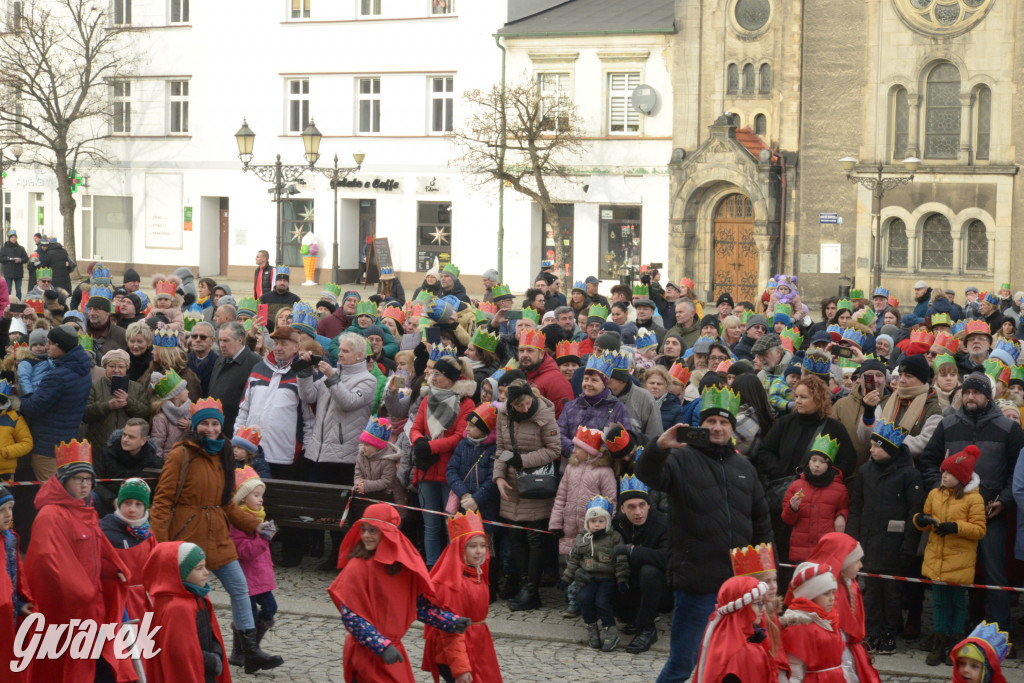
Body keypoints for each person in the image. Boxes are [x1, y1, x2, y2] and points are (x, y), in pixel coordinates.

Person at [635, 385, 773, 683]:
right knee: (683, 665)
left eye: (724, 422)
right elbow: (649, 474)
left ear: (732, 428)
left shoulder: (744, 468)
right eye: (711, 421)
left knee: (729, 666)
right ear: (701, 425)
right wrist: (658, 447)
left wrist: (767, 575)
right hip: (697, 582)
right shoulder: (682, 458)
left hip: (739, 587)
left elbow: (761, 523)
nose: (718, 427)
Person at [149, 397, 284, 673]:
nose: (210, 429)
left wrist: (254, 525)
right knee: (186, 599)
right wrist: (160, 546)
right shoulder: (181, 453)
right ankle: (185, 649)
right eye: (204, 424)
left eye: (215, 424)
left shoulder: (223, 451)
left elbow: (225, 504)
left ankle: (249, 652)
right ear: (195, 426)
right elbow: (162, 501)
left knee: (240, 588)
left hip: (218, 535)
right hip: (187, 536)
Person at [919, 372, 1024, 635]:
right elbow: (929, 461)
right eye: (966, 392)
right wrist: (940, 490)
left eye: (976, 392)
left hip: (991, 513)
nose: (970, 397)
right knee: (953, 573)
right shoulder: (947, 423)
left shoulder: (1009, 428)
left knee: (994, 574)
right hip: (951, 514)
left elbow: (1016, 470)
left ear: (987, 396)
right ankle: (952, 632)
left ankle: (1001, 633)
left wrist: (1005, 500)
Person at [24, 439, 133, 682]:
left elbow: (96, 550)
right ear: (64, 481)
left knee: (97, 662)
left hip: (90, 603)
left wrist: (112, 569)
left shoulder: (86, 509)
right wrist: (83, 592)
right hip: (67, 608)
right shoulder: (50, 515)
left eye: (88, 480)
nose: (85, 485)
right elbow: (49, 562)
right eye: (78, 479)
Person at [328, 502, 470, 683]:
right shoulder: (357, 566)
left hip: (391, 651)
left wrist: (450, 621)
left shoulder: (402, 569)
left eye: (373, 530)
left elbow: (417, 606)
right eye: (364, 530)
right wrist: (380, 645)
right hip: (367, 654)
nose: (366, 535)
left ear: (388, 533)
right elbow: (351, 617)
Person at [848, 419, 924, 655]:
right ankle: (872, 631)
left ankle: (890, 631)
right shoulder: (865, 471)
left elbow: (915, 513)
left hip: (894, 544)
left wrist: (907, 548)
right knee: (871, 591)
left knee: (892, 593)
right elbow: (856, 507)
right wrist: (852, 540)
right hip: (869, 541)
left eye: (876, 446)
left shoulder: (909, 475)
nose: (871, 449)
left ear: (889, 449)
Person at [915, 445, 987, 666]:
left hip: (959, 562)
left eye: (949, 473)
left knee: (957, 603)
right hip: (937, 559)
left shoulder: (974, 500)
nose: (943, 475)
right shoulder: (934, 494)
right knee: (938, 602)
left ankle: (955, 644)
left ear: (961, 477)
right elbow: (922, 517)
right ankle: (939, 643)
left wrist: (955, 527)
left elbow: (979, 529)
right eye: (943, 472)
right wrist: (921, 520)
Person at [493, 378, 561, 612]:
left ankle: (531, 590)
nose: (524, 408)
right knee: (515, 536)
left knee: (533, 538)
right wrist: (499, 477)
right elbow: (501, 450)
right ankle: (524, 585)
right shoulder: (504, 415)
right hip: (512, 482)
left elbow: (554, 450)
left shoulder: (544, 414)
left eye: (526, 403)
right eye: (518, 405)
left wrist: (523, 461)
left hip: (536, 481)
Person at [411, 354, 477, 568]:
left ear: (450, 378)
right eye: (433, 373)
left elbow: (459, 437)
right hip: (427, 470)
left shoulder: (466, 404)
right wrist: (418, 441)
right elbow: (416, 428)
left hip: (451, 471)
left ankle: (451, 568)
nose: (433, 376)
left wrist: (428, 447)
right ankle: (431, 566)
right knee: (430, 525)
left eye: (438, 374)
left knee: (452, 525)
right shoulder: (427, 398)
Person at [421, 510, 502, 683]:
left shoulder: (477, 574)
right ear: (459, 549)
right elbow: (451, 631)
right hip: (457, 650)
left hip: (477, 643)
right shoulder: (452, 585)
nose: (479, 551)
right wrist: (461, 668)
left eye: (482, 545)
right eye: (472, 546)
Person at [549, 425, 618, 619]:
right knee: (571, 564)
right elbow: (561, 497)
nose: (574, 450)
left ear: (589, 451)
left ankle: (584, 600)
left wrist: (605, 526)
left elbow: (610, 500)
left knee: (588, 565)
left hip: (592, 531)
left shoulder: (603, 471)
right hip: (570, 528)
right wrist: (556, 523)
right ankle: (572, 600)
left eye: (578, 447)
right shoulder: (571, 468)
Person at [142, 541, 231, 681]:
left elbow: (211, 632)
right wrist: (212, 661)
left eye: (205, 566)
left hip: (206, 670)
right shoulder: (177, 607)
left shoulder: (198, 596)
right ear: (180, 573)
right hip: (199, 671)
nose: (206, 573)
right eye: (199, 568)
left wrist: (217, 652)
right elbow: (181, 654)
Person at [557, 495, 630, 652]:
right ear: (587, 522)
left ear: (607, 522)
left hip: (607, 578)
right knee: (584, 599)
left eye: (601, 521)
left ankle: (610, 630)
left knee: (602, 602)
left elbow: (621, 561)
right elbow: (575, 560)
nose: (597, 525)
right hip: (588, 578)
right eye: (593, 521)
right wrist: (566, 578)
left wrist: (622, 579)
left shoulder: (614, 537)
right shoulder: (582, 538)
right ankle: (592, 628)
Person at [20, 324, 92, 480]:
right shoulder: (82, 370)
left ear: (62, 346)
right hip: (67, 443)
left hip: (48, 447)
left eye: (51, 343)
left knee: (54, 497)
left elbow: (33, 408)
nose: (46, 347)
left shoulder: (58, 377)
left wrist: (19, 399)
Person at [612, 474, 669, 654]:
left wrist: (633, 550)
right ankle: (627, 617)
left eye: (642, 505)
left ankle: (647, 629)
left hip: (661, 587)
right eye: (631, 507)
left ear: (649, 505)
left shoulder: (662, 523)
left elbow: (667, 557)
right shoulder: (617, 523)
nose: (638, 512)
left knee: (649, 571)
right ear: (622, 508)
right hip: (629, 582)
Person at [228, 466, 279, 666]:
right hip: (246, 578)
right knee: (246, 614)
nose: (261, 499)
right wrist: (264, 539)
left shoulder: (259, 517)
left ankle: (252, 648)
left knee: (270, 608)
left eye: (261, 495)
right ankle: (241, 652)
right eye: (256, 495)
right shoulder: (239, 522)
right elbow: (245, 551)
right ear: (242, 499)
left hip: (261, 578)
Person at [690, 576, 775, 683]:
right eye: (757, 603)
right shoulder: (743, 653)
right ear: (741, 608)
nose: (763, 609)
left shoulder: (720, 637)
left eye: (763, 603)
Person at [781, 435, 850, 564]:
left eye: (822, 461)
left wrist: (841, 516)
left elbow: (844, 507)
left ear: (829, 465)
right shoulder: (796, 486)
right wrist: (792, 508)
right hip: (800, 553)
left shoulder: (840, 489)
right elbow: (787, 519)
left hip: (826, 551)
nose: (816, 465)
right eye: (813, 460)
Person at [99, 477, 158, 622]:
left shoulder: (148, 534)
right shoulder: (104, 531)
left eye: (138, 504)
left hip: (145, 601)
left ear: (145, 508)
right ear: (119, 504)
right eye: (127, 503)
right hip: (119, 600)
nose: (132, 509)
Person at [780, 562, 845, 683]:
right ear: (810, 595)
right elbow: (795, 672)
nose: (832, 598)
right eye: (826, 593)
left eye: (833, 592)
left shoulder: (830, 619)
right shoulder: (798, 627)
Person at [83, 348, 150, 456]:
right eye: (112, 366)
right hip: (99, 445)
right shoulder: (94, 386)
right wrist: (108, 406)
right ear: (105, 367)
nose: (116, 370)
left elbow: (145, 413)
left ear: (126, 368)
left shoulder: (137, 387)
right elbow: (85, 414)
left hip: (128, 447)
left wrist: (128, 402)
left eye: (121, 366)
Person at [0, 484, 32, 683]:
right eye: (1, 509)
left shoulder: (10, 540)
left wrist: (20, 605)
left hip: (8, 619)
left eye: (10, 508)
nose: (7, 514)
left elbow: (14, 579)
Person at [446, 402, 499, 521]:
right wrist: (464, 494)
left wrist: (476, 499)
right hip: (463, 504)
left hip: (486, 509)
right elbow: (451, 470)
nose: (467, 428)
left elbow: (493, 479)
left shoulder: (494, 449)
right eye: (467, 424)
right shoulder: (463, 444)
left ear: (483, 429)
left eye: (472, 425)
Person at [209, 321, 262, 438]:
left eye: (226, 340)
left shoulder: (255, 363)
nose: (221, 345)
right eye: (220, 340)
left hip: (236, 432)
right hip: (216, 430)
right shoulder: (221, 359)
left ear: (239, 340)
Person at [150, 368, 192, 459]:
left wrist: (191, 426)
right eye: (184, 389)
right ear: (176, 394)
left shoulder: (191, 411)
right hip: (169, 461)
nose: (188, 391)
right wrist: (160, 465)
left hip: (189, 459)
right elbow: (157, 443)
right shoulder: (160, 418)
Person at [0, 230, 27, 299]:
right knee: (8, 290)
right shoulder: (4, 248)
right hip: (8, 273)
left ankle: (19, 305)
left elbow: (26, 259)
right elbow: (1, 259)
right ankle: (7, 304)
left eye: (15, 237)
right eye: (12, 237)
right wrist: (8, 259)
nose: (14, 238)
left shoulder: (21, 248)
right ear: (9, 238)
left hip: (18, 273)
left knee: (18, 290)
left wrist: (20, 260)